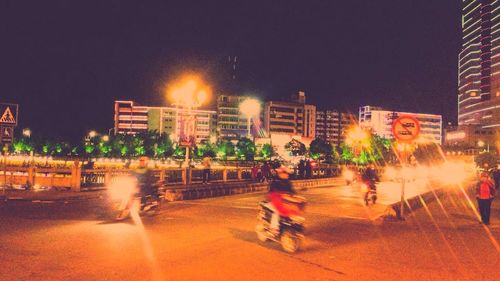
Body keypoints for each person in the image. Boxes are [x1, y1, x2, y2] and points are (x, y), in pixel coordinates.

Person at [265, 166, 298, 235]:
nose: (286, 175)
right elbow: (271, 193)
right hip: (275, 201)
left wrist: (295, 196)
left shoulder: (288, 183)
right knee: (277, 212)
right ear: (279, 174)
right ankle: (274, 228)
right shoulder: (275, 182)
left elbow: (292, 192)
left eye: (286, 173)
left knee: (294, 208)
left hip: (285, 201)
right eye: (284, 173)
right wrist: (280, 195)